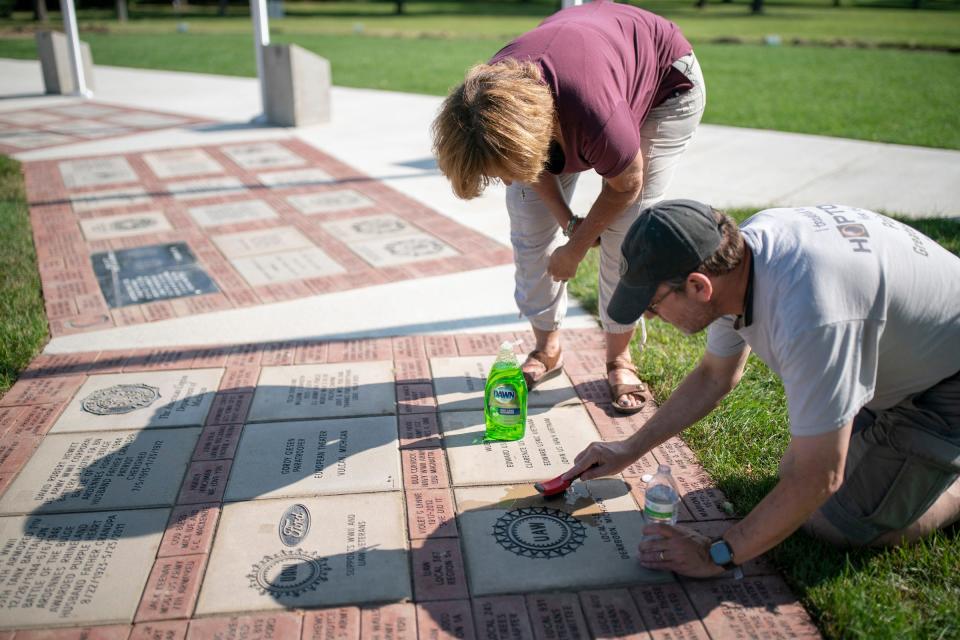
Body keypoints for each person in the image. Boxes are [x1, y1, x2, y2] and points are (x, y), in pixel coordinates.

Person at [562, 199, 960, 577]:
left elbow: (820, 475)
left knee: (833, 523)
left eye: (653, 305)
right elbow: (715, 376)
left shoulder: (812, 315)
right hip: (904, 359)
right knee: (791, 471)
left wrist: (716, 553)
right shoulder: (741, 258)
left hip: (946, 383)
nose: (654, 316)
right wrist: (629, 448)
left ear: (699, 286)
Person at [431, 0, 705, 414]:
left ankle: (619, 357)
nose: (504, 179)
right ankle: (547, 348)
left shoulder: (595, 114)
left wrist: (575, 247)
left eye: (502, 170)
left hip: (665, 81)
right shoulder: (489, 98)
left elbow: (625, 185)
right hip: (579, 82)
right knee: (528, 224)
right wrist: (567, 219)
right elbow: (525, 164)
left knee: (627, 234)